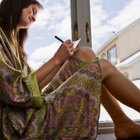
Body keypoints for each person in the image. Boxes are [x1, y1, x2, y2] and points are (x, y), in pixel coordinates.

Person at [0, 0, 140, 139]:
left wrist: (61, 62)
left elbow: (34, 87)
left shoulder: (14, 44)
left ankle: (122, 122)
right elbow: (17, 90)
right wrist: (56, 59)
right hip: (22, 125)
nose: (35, 18)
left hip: (30, 109)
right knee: (102, 66)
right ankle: (124, 124)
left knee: (84, 54)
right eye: (33, 10)